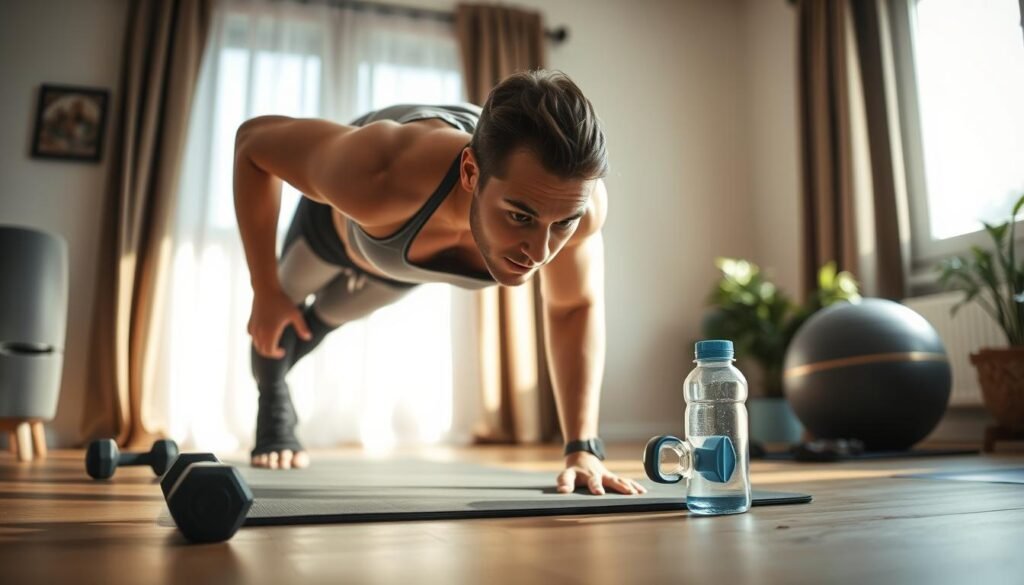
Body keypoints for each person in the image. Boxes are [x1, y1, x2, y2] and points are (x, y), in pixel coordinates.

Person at [233, 69, 646, 496]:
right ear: (470, 172)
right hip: (336, 235)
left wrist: (583, 448)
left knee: (313, 326)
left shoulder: (580, 203)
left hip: (400, 266)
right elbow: (253, 142)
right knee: (276, 322)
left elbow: (572, 306)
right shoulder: (380, 167)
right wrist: (264, 289)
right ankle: (273, 403)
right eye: (520, 216)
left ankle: (280, 368)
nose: (540, 253)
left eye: (561, 224)